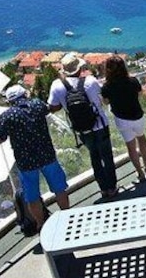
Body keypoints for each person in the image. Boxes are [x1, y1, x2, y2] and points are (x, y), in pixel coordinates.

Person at [0, 86, 69, 231]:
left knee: (32, 196)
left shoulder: (7, 116)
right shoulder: (37, 105)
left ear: (10, 101)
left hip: (26, 162)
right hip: (47, 155)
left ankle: (41, 224)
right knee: (59, 188)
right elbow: (50, 109)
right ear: (25, 94)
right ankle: (67, 215)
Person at [48, 53, 118, 199]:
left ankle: (104, 189)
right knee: (107, 157)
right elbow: (104, 97)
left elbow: (53, 107)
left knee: (94, 157)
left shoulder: (57, 85)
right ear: (79, 69)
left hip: (81, 129)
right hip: (99, 125)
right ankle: (112, 188)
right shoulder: (90, 81)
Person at [101, 55, 146, 182]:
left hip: (122, 119)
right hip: (137, 115)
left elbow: (106, 102)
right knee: (142, 138)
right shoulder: (133, 81)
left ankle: (139, 172)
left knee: (131, 146)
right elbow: (139, 94)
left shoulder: (107, 86)